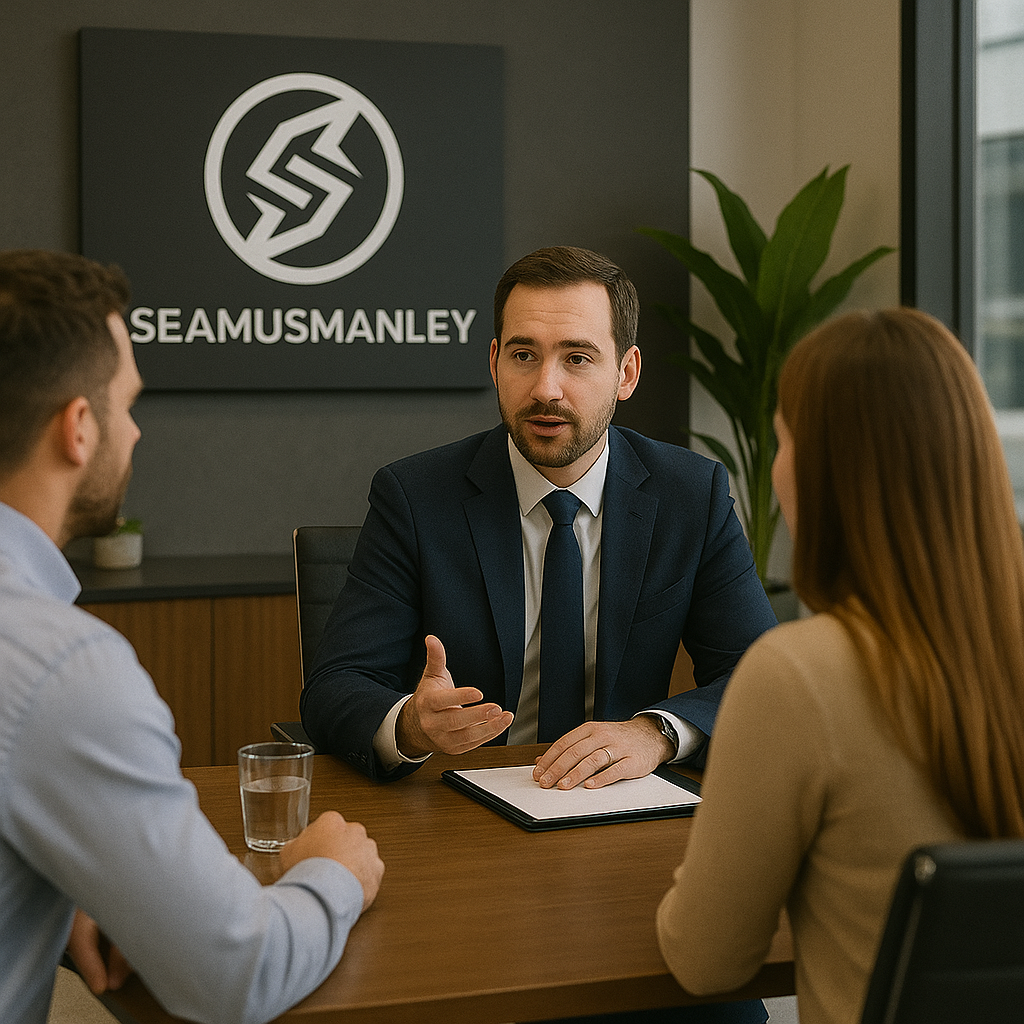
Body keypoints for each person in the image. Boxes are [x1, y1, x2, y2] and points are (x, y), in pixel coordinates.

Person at [0, 249, 384, 1024]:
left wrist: (65, 870)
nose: (135, 432)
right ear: (79, 428)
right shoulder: (60, 667)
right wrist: (330, 872)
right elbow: (236, 975)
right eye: (127, 404)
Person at [656, 308, 1024, 1024]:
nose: (777, 462)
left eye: (785, 437)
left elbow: (706, 961)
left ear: (827, 472)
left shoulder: (800, 676)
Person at [301, 246, 776, 795]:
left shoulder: (692, 495)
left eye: (577, 358)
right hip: (464, 804)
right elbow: (335, 687)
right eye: (524, 355)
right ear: (494, 362)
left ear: (626, 373)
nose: (546, 387)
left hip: (619, 799)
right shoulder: (414, 497)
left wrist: (658, 734)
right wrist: (410, 725)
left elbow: (761, 677)